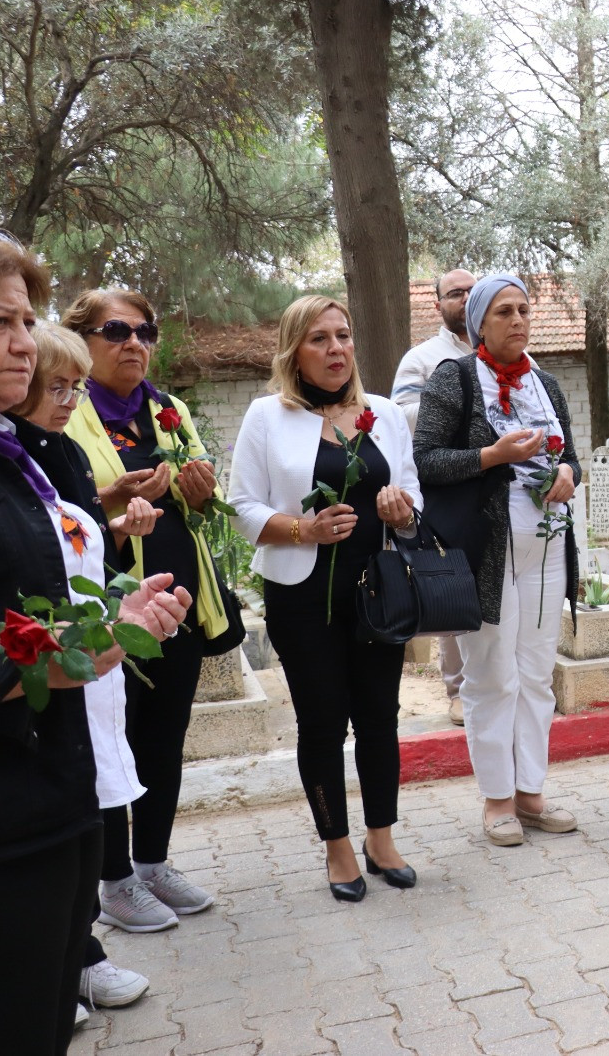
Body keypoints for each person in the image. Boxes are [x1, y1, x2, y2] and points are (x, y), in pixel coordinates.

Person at [0, 222, 190, 1053]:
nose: (25, 344)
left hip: (55, 804)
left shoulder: (7, 453)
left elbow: (48, 608)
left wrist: (118, 626)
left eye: (27, 321)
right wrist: (71, 651)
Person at [230, 295, 422, 901]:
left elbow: (413, 495)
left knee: (380, 715)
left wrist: (403, 513)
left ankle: (381, 839)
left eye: (343, 335)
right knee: (321, 722)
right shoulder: (267, 415)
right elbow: (242, 506)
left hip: (378, 589)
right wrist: (302, 529)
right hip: (302, 594)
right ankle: (337, 847)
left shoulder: (384, 413)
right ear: (295, 351)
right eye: (319, 338)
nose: (336, 348)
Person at [63, 288, 224, 928]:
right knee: (112, 742)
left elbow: (205, 505)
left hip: (176, 600)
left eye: (145, 331)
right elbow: (53, 514)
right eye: (116, 330)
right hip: (106, 605)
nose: (134, 342)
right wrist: (110, 500)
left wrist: (202, 492)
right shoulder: (64, 411)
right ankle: (113, 881)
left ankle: (152, 863)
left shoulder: (167, 409)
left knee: (164, 735)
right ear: (81, 340)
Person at [11, 322, 160, 1016]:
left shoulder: (64, 452)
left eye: (76, 388)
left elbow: (81, 543)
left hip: (87, 653)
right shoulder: (6, 456)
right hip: (37, 664)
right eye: (56, 388)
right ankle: (57, 965)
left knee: (95, 798)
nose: (69, 402)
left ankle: (80, 951)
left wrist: (118, 540)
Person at [414, 274, 582, 846]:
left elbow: (571, 456)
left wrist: (567, 472)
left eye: (524, 310)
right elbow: (426, 459)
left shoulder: (546, 383)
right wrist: (491, 456)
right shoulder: (456, 378)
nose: (517, 320)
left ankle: (531, 793)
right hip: (488, 551)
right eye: (504, 311)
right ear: (479, 323)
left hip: (547, 545)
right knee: (492, 676)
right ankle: (497, 801)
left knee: (536, 675)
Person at [393, 269, 476, 727]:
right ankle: (459, 691)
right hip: (446, 487)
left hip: (500, 489)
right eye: (455, 293)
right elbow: (401, 415)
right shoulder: (422, 358)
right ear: (438, 303)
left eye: (471, 291)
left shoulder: (512, 354)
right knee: (455, 583)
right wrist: (460, 403)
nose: (464, 299)